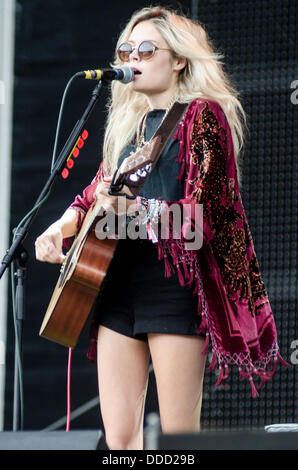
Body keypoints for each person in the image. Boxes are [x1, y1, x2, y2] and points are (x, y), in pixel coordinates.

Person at [35, 6, 288, 450]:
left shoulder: (200, 117)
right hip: (114, 286)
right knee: (121, 443)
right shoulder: (129, 130)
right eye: (126, 49)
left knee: (177, 441)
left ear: (179, 59)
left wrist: (134, 211)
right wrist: (60, 226)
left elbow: (203, 217)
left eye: (147, 48)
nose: (134, 56)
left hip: (172, 288)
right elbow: (93, 196)